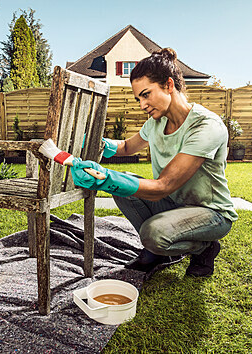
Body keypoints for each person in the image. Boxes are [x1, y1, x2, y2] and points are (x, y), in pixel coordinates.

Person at [71, 48, 237, 277]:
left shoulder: (206, 126)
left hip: (211, 213)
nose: (142, 105)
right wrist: (96, 143)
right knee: (125, 189)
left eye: (146, 94)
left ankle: (204, 248)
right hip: (174, 204)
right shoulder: (156, 122)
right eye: (138, 98)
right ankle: (157, 252)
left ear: (169, 85)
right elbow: (127, 147)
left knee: (153, 233)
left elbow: (164, 186)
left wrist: (106, 180)